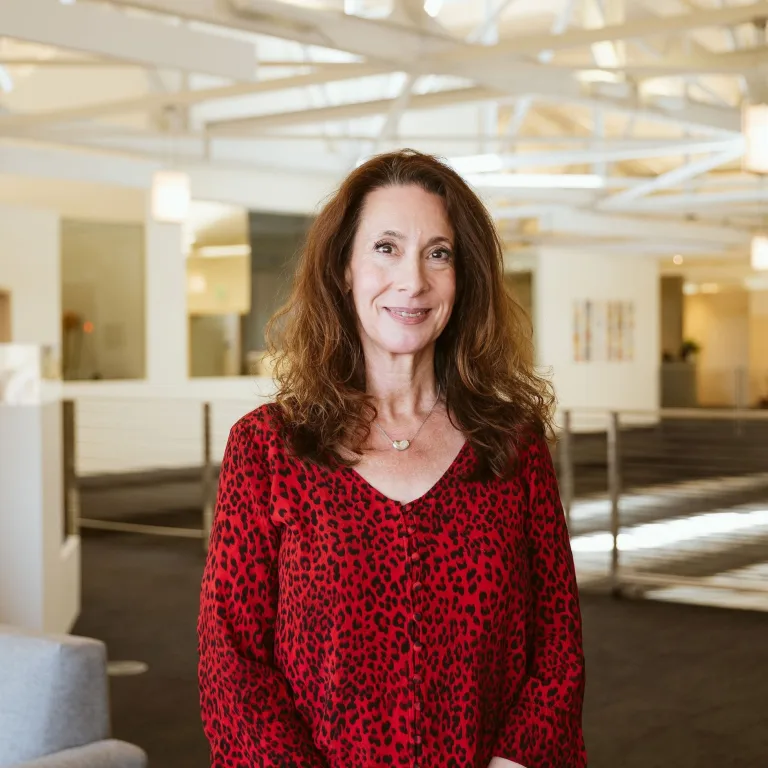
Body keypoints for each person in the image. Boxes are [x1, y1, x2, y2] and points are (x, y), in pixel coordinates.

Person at [197, 149, 586, 768]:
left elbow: (557, 648)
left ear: (463, 278)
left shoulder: (511, 444)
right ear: (344, 269)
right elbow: (231, 658)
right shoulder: (268, 447)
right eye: (386, 247)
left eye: (438, 252)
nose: (413, 280)